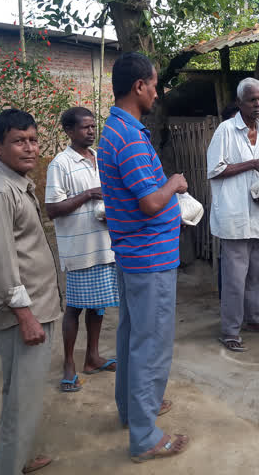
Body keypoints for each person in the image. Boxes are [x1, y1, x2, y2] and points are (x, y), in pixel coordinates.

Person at [97, 52, 189, 463]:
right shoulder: (130, 138)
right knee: (150, 345)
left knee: (133, 338)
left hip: (134, 255)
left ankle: (132, 412)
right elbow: (151, 201)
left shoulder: (116, 129)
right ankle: (145, 436)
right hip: (149, 258)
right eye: (154, 84)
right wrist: (174, 183)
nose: (157, 91)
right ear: (139, 86)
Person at [0, 108, 61, 475]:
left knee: (25, 393)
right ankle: (9, 467)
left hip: (40, 306)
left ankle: (22, 457)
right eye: (18, 141)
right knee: (20, 400)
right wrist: (25, 317)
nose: (29, 148)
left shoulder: (17, 184)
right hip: (25, 314)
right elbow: (1, 264)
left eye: (33, 140)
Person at [45, 107, 118, 393]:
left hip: (105, 245)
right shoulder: (60, 164)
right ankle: (68, 363)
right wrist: (89, 194)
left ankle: (92, 357)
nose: (91, 131)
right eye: (85, 127)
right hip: (79, 249)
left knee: (98, 305)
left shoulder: (101, 158)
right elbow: (52, 209)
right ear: (69, 131)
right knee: (75, 307)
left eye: (92, 126)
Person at [207, 78, 259, 353]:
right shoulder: (225, 131)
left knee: (258, 275)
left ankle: (255, 320)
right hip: (234, 215)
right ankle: (230, 331)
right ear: (239, 103)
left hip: (257, 212)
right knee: (235, 280)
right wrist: (251, 163)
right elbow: (214, 169)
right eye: (252, 100)